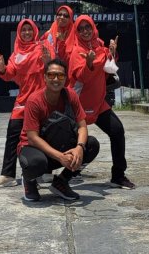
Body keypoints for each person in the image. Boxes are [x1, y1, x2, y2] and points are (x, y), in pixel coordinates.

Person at [18, 58, 100, 202]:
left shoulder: (71, 95)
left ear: (66, 78)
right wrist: (60, 157)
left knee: (91, 144)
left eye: (60, 75)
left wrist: (79, 148)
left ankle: (61, 182)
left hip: (58, 142)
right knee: (36, 163)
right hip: (34, 147)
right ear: (44, 77)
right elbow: (32, 137)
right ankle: (29, 180)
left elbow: (82, 126)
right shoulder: (34, 100)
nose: (56, 79)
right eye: (51, 75)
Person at [68, 14, 135, 190]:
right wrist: (88, 64)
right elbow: (80, 77)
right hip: (79, 104)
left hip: (98, 103)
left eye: (87, 27)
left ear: (93, 27)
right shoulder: (76, 51)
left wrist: (112, 53)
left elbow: (109, 69)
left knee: (117, 131)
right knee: (76, 142)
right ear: (77, 31)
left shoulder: (100, 46)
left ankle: (118, 175)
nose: (85, 31)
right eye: (81, 28)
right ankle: (67, 171)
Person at [0, 19, 50, 189]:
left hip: (41, 99)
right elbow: (9, 74)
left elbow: (52, 69)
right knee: (13, 135)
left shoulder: (42, 48)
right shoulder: (16, 54)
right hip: (23, 100)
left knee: (40, 136)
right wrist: (1, 68)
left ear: (35, 31)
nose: (27, 33)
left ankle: (42, 172)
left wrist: (47, 62)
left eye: (30, 30)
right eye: (24, 30)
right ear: (19, 33)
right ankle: (8, 175)